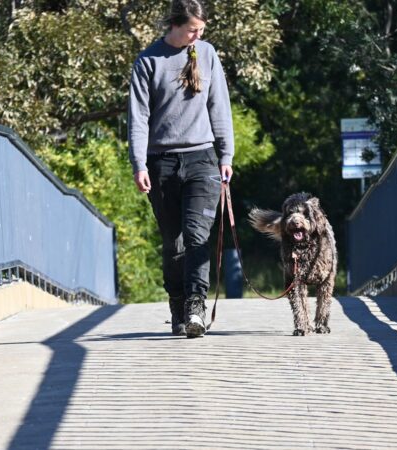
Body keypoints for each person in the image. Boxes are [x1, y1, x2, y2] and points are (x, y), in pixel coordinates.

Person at [128, 0, 234, 338]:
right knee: (173, 244)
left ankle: (196, 306)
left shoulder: (207, 54)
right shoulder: (148, 61)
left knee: (196, 236)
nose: (198, 35)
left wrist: (225, 155)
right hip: (162, 163)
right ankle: (177, 304)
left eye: (201, 30)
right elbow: (139, 118)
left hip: (202, 159)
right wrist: (139, 163)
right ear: (175, 25)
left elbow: (220, 106)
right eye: (193, 30)